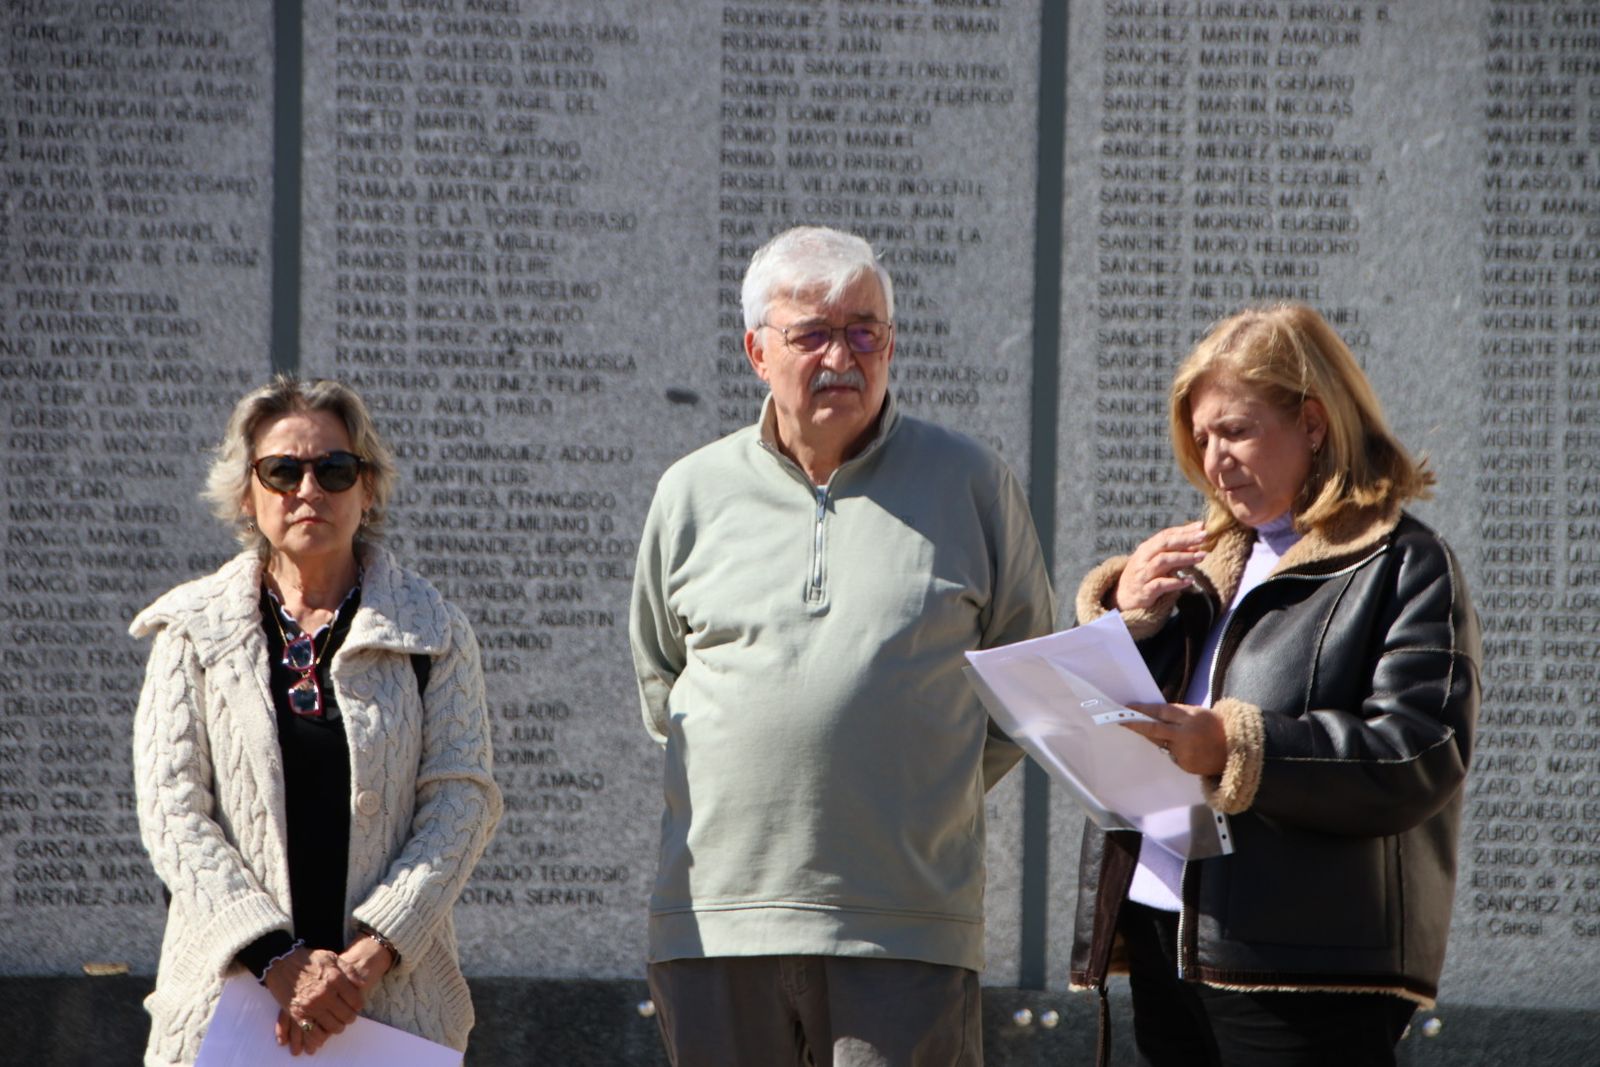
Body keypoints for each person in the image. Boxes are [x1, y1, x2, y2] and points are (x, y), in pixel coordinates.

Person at [630, 225, 1055, 1066]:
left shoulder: (969, 482)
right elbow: (663, 686)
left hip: (902, 929)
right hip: (717, 922)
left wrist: (918, 778)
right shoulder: (691, 493)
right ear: (757, 350)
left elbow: (1025, 684)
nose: (842, 357)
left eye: (866, 332)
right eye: (812, 333)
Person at [1069, 304, 1481, 1067]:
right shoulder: (1206, 563)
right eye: (1201, 438)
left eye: (1237, 430)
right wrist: (1128, 621)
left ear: (1315, 424)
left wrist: (1234, 744)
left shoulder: (1404, 564)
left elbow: (1419, 751)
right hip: (1166, 937)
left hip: (1302, 966)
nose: (1214, 459)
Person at [130, 378, 502, 1063]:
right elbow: (173, 811)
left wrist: (371, 954)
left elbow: (461, 800)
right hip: (229, 1012)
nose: (309, 489)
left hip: (390, 1013)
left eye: (335, 469)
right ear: (248, 492)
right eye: (282, 470)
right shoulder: (190, 633)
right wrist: (278, 960)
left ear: (368, 489)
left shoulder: (436, 633)